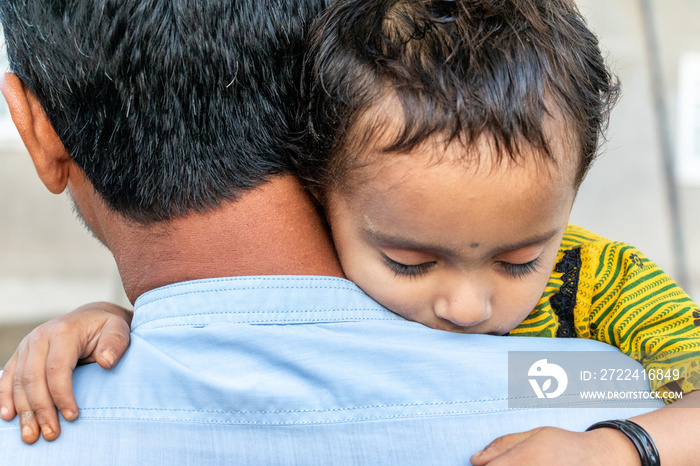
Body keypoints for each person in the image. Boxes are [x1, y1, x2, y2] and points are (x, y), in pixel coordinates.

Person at [0, 0, 674, 464]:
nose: (468, 308)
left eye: (522, 258)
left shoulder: (612, 357)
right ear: (328, 127)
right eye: (410, 261)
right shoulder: (600, 388)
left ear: (39, 135)